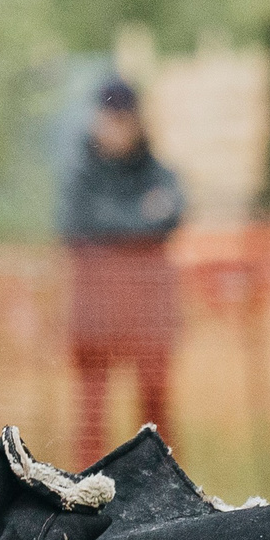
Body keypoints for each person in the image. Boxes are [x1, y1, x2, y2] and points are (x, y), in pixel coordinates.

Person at [57, 78, 183, 461]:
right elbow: (75, 223)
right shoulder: (80, 174)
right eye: (107, 119)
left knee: (155, 407)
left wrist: (111, 225)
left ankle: (162, 485)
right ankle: (87, 488)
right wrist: (140, 218)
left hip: (147, 312)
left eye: (121, 120)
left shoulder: (157, 172)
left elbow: (174, 211)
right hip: (96, 313)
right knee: (92, 414)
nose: (113, 129)